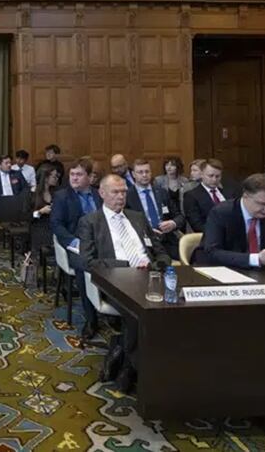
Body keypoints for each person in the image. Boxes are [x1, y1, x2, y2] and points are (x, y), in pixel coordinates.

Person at [75, 174, 171, 391]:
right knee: (140, 314)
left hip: (151, 276)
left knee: (176, 308)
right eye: (115, 192)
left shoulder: (137, 217)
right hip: (116, 281)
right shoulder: (91, 222)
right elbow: (87, 261)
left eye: (124, 192)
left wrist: (158, 264)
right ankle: (132, 368)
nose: (121, 196)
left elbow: (160, 251)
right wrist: (126, 265)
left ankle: (133, 356)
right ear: (102, 193)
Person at [201, 174, 265, 269]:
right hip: (229, 272)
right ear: (245, 196)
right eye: (263, 204)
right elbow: (211, 253)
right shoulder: (222, 213)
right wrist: (256, 259)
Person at [49, 159, 102, 337]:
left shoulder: (99, 194)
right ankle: (91, 319)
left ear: (89, 177)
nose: (74, 178)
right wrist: (74, 243)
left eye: (79, 174)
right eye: (72, 174)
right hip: (76, 246)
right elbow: (56, 225)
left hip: (102, 244)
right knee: (84, 265)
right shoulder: (62, 196)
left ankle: (115, 308)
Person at [124, 159, 184, 260]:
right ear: (133, 174)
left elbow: (180, 217)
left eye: (147, 171)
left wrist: (173, 223)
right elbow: (125, 223)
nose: (144, 175)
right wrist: (148, 230)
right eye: (140, 172)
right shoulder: (128, 196)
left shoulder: (162, 192)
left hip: (167, 240)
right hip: (144, 241)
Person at [182, 159, 235, 233]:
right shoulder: (191, 196)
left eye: (217, 176)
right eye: (210, 176)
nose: (214, 179)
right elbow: (197, 225)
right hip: (209, 236)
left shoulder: (228, 193)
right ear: (202, 175)